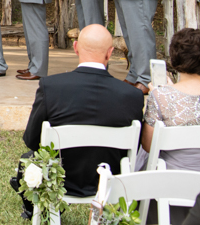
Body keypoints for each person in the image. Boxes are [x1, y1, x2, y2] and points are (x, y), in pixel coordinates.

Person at [15, 25, 144, 217]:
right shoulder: (133, 95)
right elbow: (134, 149)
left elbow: (32, 141)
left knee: (27, 159)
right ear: (110, 53)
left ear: (75, 48)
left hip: (61, 180)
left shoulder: (51, 87)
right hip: (110, 181)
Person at [142, 28, 200, 172]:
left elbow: (148, 146)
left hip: (175, 183)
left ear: (174, 60)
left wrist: (161, 95)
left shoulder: (161, 96)